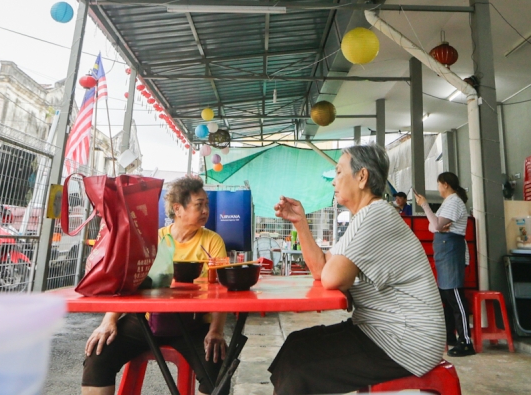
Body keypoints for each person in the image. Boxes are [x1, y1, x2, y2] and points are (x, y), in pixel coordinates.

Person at [269, 144, 445, 395]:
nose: (334, 182)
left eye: (339, 172)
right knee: (294, 345)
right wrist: (300, 223)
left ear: (361, 177)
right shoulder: (364, 217)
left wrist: (338, 275)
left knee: (299, 367)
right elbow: (322, 269)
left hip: (406, 341)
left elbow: (332, 278)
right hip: (381, 329)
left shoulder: (376, 215)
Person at [82, 176, 229, 395]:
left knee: (217, 368)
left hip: (193, 324)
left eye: (207, 204)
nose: (206, 209)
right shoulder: (152, 239)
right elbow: (130, 284)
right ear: (178, 209)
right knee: (98, 355)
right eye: (200, 205)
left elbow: (220, 291)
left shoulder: (213, 241)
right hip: (146, 320)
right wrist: (108, 321)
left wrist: (216, 330)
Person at [415, 172, 475, 357]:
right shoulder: (448, 203)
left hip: (451, 250)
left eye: (439, 184)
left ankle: (466, 341)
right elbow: (433, 226)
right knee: (447, 295)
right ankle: (451, 335)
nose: (438, 188)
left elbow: (437, 226)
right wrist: (438, 224)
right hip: (445, 250)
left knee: (455, 294)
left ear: (446, 184)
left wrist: (425, 206)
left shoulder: (454, 202)